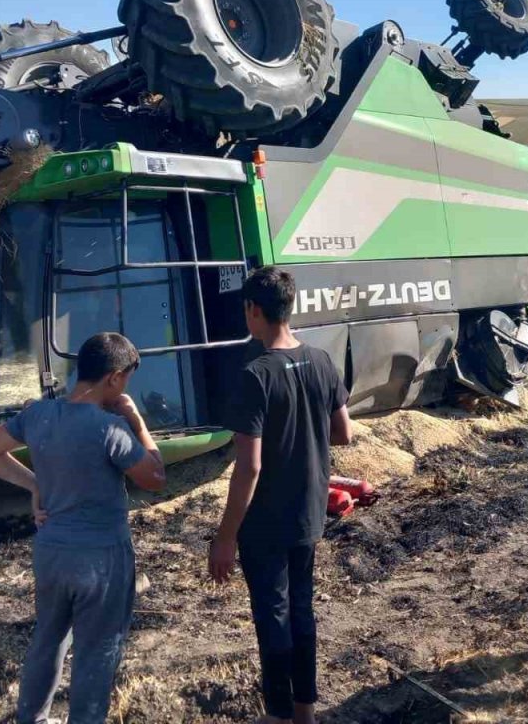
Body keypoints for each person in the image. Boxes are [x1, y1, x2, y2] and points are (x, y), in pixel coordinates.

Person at [0, 332, 167, 724]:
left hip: (52, 552)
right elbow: (155, 477)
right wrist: (137, 420)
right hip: (101, 559)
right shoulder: (110, 428)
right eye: (127, 378)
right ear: (114, 377)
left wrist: (34, 483)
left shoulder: (38, 415)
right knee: (98, 651)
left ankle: (33, 719)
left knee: (49, 640)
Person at [209, 267, 353, 724]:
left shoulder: (255, 375)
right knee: (302, 610)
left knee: (272, 617)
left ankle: (277, 715)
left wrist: (225, 536)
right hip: (309, 513)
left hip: (266, 522)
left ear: (253, 310)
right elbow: (343, 433)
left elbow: (249, 467)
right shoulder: (321, 360)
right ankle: (305, 710)